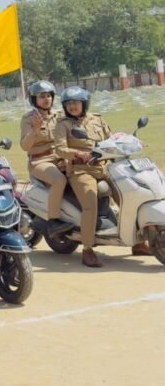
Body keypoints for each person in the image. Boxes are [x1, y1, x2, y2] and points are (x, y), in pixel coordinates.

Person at [53, 87, 119, 267]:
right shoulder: (63, 124)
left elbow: (111, 139)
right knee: (90, 203)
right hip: (80, 170)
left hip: (102, 167)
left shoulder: (97, 120)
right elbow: (60, 149)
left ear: (84, 103)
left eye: (76, 102)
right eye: (68, 103)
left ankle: (137, 240)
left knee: (126, 193)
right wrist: (78, 154)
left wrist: (128, 142)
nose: (72, 106)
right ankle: (88, 249)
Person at [21, 81, 69, 235]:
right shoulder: (28, 118)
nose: (47, 99)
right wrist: (35, 129)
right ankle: (53, 221)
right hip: (39, 161)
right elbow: (25, 146)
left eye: (49, 95)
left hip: (60, 157)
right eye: (42, 96)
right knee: (59, 180)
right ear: (34, 99)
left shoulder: (59, 115)